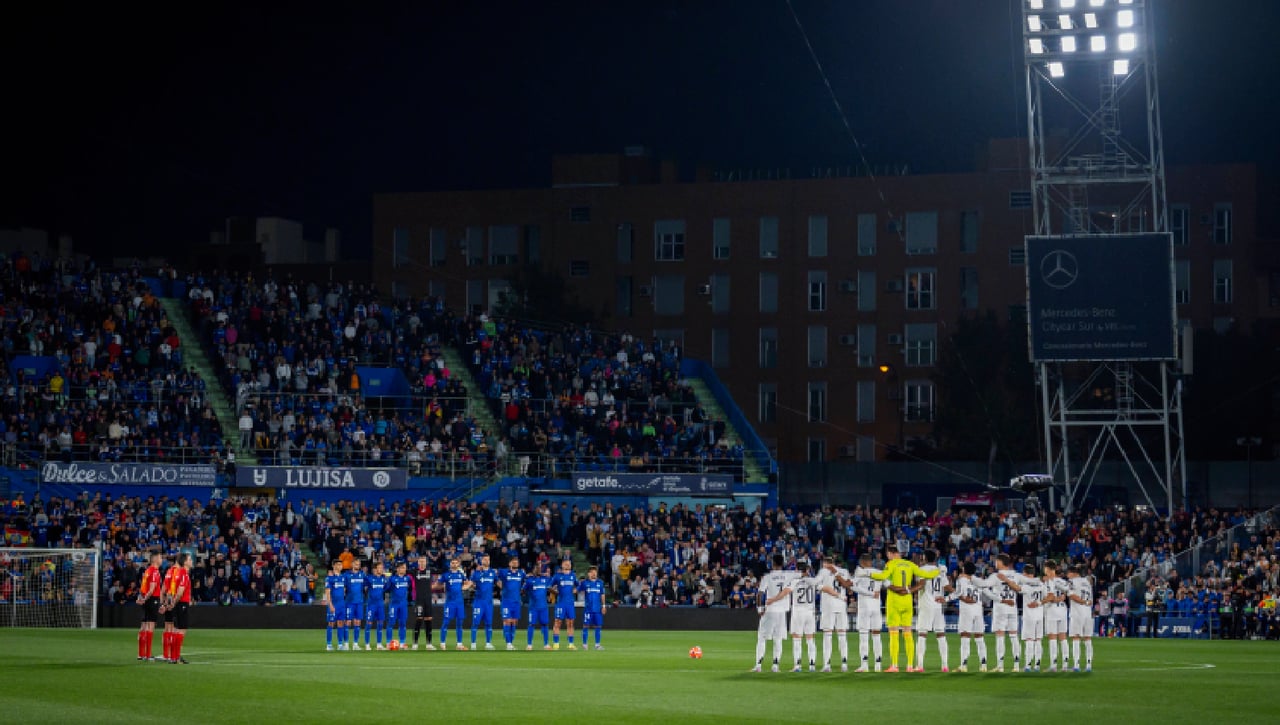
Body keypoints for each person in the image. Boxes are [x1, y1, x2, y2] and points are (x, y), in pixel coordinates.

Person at [869, 544, 941, 673]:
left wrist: (870, 573)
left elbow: (883, 576)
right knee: (908, 633)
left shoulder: (891, 564)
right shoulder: (910, 564)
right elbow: (926, 574)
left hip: (894, 601)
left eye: (888, 555)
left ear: (890, 553)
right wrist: (938, 570)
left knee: (894, 634)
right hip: (907, 600)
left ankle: (895, 665)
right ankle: (909, 666)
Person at [751, 554, 797, 673]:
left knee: (762, 637)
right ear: (782, 563)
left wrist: (760, 608)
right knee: (778, 639)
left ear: (773, 563)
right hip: (782, 611)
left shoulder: (768, 577)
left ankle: (758, 665)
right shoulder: (789, 575)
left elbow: (760, 593)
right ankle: (775, 666)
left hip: (770, 609)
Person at [913, 550, 953, 673]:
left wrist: (910, 591)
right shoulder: (940, 570)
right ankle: (945, 666)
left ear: (924, 558)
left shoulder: (922, 569)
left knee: (922, 634)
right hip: (938, 605)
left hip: (926, 604)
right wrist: (957, 592)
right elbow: (947, 587)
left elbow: (920, 584)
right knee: (940, 634)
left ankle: (920, 665)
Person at [984, 553, 1023, 673]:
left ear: (1001, 562)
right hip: (1012, 608)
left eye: (996, 561)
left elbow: (984, 589)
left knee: (1000, 636)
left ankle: (1000, 666)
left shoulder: (995, 576)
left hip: (1001, 608)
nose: (995, 563)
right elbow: (1020, 589)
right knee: (1014, 636)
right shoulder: (1016, 575)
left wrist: (996, 598)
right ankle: (1016, 666)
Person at [814, 556, 851, 672]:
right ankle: (844, 664)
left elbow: (816, 584)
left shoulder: (823, 571)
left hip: (828, 606)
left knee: (827, 636)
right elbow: (849, 586)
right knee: (842, 636)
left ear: (825, 563)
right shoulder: (844, 571)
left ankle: (827, 665)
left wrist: (821, 587)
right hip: (841, 606)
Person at [851, 553, 885, 672]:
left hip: (865, 607)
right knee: (877, 636)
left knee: (864, 636)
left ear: (864, 562)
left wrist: (868, 593)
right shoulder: (879, 572)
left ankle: (864, 665)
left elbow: (852, 586)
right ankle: (878, 665)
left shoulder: (860, 572)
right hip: (876, 606)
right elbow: (887, 584)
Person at [953, 562, 989, 672]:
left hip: (966, 610)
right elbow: (985, 597)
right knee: (980, 638)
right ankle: (983, 665)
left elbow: (959, 594)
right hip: (978, 610)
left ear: (964, 569)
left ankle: (963, 665)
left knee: (965, 637)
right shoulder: (978, 581)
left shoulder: (961, 580)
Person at [788, 561, 821, 672]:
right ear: (807, 570)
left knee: (797, 639)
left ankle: (797, 665)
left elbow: (786, 591)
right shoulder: (813, 581)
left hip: (798, 611)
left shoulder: (794, 581)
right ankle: (812, 665)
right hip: (810, 612)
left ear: (797, 569)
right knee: (810, 639)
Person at [161, 553, 192, 665]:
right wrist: (173, 602)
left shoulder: (177, 573)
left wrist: (168, 603)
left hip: (178, 603)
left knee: (175, 630)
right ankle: (176, 657)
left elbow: (170, 590)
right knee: (181, 630)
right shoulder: (184, 573)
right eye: (189, 559)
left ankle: (173, 656)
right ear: (185, 562)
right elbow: (180, 591)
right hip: (182, 604)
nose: (191, 561)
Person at [1016, 564, 1048, 672]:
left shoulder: (1026, 586)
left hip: (1029, 616)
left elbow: (1016, 589)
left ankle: (1028, 665)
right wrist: (1039, 603)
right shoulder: (1041, 584)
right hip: (1040, 615)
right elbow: (1047, 597)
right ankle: (1037, 665)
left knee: (1029, 640)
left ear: (1026, 574)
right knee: (1038, 640)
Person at [1042, 561, 1071, 671]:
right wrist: (1060, 598)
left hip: (1052, 611)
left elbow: (1050, 597)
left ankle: (1053, 665)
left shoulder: (1049, 582)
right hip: (1063, 610)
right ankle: (1065, 665)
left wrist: (1041, 602)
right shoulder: (1062, 582)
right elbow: (1067, 594)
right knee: (1063, 638)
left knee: (1052, 638)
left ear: (1048, 569)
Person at [439, 557, 472, 650]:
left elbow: (468, 583)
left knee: (459, 623)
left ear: (458, 564)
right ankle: (442, 643)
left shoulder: (461, 575)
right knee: (446, 622)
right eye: (452, 563)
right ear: (450, 564)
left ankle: (459, 644)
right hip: (450, 602)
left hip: (459, 602)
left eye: (456, 563)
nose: (454, 564)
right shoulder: (446, 575)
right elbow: (439, 583)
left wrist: (465, 587)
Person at [1067, 563, 1095, 671]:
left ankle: (1077, 665)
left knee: (1076, 638)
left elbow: (1072, 596)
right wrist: (1086, 602)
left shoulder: (1072, 582)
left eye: (1068, 573)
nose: (1067, 576)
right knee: (1088, 639)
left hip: (1077, 613)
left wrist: (1082, 601)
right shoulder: (1087, 583)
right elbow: (1091, 601)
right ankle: (1088, 665)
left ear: (1073, 573)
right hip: (1087, 613)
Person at [136, 551, 163, 661]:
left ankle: (141, 654)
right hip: (152, 600)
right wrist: (145, 599)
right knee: (150, 626)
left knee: (143, 626)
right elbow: (151, 590)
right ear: (155, 559)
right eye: (160, 557)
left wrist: (141, 598)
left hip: (146, 599)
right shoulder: (155, 571)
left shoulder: (147, 571)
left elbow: (143, 588)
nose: (162, 560)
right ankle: (147, 655)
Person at [469, 554, 498, 650]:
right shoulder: (476, 573)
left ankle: (488, 643)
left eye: (488, 559)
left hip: (489, 602)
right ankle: (473, 643)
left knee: (489, 623)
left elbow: (498, 583)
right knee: (475, 623)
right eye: (485, 559)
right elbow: (471, 584)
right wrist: (470, 586)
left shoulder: (492, 572)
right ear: (481, 561)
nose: (487, 561)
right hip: (479, 602)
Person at [498, 556, 527, 650]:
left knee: (514, 622)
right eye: (513, 562)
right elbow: (496, 579)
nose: (515, 563)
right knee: (507, 621)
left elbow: (525, 583)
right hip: (506, 601)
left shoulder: (521, 573)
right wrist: (501, 587)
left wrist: (522, 590)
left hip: (516, 601)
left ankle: (511, 642)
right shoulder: (504, 572)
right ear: (509, 563)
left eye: (516, 562)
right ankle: (508, 643)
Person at [551, 559, 579, 650]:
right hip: (560, 603)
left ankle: (570, 644)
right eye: (566, 564)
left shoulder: (573, 576)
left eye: (569, 564)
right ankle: (556, 643)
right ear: (562, 565)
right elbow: (549, 586)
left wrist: (576, 590)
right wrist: (555, 592)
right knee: (557, 622)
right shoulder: (557, 576)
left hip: (570, 603)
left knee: (570, 623)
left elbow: (578, 585)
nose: (568, 565)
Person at [524, 565, 553, 650]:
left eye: (540, 569)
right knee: (531, 624)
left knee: (545, 624)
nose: (538, 570)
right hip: (533, 607)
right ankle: (529, 644)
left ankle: (546, 644)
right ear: (533, 570)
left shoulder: (545, 579)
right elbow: (523, 590)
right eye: (536, 569)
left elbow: (551, 584)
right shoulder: (529, 581)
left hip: (543, 607)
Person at [411, 554, 436, 650]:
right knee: (419, 619)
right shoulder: (414, 571)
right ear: (418, 563)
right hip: (419, 600)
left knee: (429, 620)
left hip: (428, 599)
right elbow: (402, 571)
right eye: (420, 561)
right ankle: (415, 643)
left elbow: (442, 571)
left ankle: (429, 643)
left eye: (423, 561)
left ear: (426, 562)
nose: (422, 563)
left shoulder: (430, 571)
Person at [578, 566, 607, 650]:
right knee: (585, 626)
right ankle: (584, 644)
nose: (594, 573)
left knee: (598, 626)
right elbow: (577, 590)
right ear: (588, 573)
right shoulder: (585, 583)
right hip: (588, 609)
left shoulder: (600, 583)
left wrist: (604, 606)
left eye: (595, 572)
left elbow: (602, 595)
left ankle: (597, 645)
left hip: (597, 609)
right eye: (592, 572)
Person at [324, 560, 348, 651]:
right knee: (331, 623)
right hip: (333, 604)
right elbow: (327, 593)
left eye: (341, 564)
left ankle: (340, 644)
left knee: (341, 623)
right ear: (333, 566)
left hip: (342, 604)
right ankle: (329, 644)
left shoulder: (343, 577)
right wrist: (330, 605)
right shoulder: (329, 578)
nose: (340, 566)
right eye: (338, 564)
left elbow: (344, 590)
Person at [387, 561, 412, 647]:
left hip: (403, 605)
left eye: (405, 568)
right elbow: (387, 589)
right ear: (398, 569)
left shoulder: (407, 579)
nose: (404, 569)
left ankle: (402, 643)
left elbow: (410, 589)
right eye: (402, 568)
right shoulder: (392, 579)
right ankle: (388, 643)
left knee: (403, 623)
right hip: (394, 604)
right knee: (391, 623)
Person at [345, 559, 367, 651]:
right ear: (352, 564)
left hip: (359, 602)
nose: (358, 565)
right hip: (349, 602)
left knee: (358, 622)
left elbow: (366, 586)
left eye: (359, 564)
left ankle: (355, 644)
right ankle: (346, 644)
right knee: (348, 622)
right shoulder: (347, 575)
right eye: (356, 563)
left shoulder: (362, 575)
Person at [365, 561, 389, 649]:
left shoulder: (384, 579)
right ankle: (367, 644)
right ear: (375, 569)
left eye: (382, 568)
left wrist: (386, 579)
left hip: (380, 604)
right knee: (369, 623)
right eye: (380, 568)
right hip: (371, 604)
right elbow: (364, 587)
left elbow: (386, 589)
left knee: (380, 623)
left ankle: (379, 644)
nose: (381, 569)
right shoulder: (369, 578)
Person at [159, 559, 179, 661]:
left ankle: (166, 654)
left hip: (168, 600)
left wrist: (162, 603)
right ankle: (171, 654)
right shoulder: (179, 572)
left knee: (167, 628)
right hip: (174, 602)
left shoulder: (169, 572)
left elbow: (163, 589)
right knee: (172, 629)